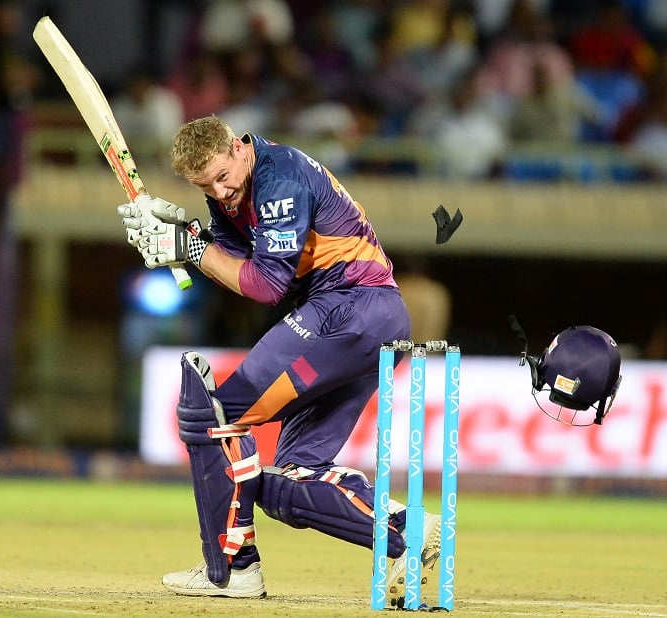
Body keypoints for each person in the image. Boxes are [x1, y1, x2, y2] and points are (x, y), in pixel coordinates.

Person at [118, 115, 440, 607]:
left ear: (238, 146)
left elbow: (266, 285)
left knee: (212, 419)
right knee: (291, 480)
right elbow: (230, 260)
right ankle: (405, 529)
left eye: (223, 177)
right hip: (358, 319)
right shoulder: (233, 192)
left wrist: (190, 247)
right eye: (205, 186)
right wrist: (179, 237)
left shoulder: (278, 179)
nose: (220, 192)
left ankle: (231, 569)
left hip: (350, 309)